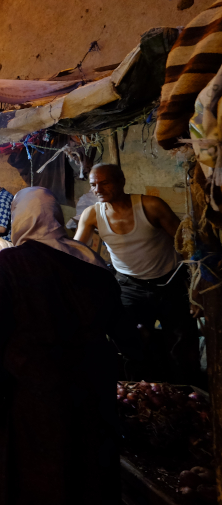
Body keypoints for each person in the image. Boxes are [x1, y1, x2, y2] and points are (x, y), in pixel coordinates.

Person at [0, 187, 122, 505]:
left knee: (30, 476)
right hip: (92, 390)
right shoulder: (91, 261)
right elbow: (118, 325)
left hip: (30, 391)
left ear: (21, 218)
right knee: (84, 472)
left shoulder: (11, 261)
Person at [74, 163, 200, 384]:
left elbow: (186, 246)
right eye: (93, 184)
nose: (98, 189)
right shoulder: (92, 215)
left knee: (182, 346)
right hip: (128, 286)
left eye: (105, 183)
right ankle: (143, 395)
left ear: (121, 182)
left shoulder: (151, 206)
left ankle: (189, 395)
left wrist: (196, 289)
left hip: (169, 283)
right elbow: (75, 252)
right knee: (132, 345)